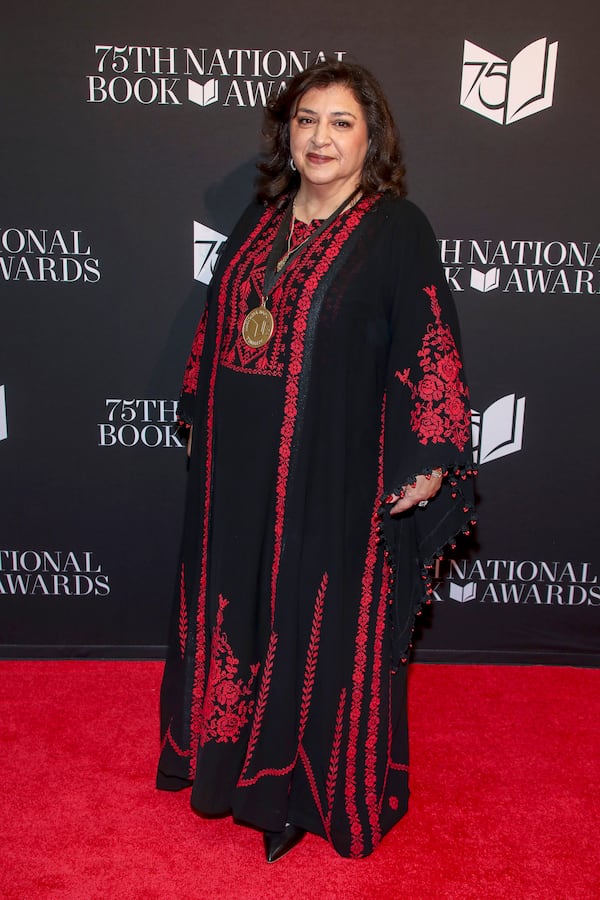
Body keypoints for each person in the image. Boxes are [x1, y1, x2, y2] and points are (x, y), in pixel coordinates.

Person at [157, 59, 475, 861]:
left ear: (373, 138)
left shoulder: (396, 229)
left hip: (333, 473)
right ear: (286, 133)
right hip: (238, 473)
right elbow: (219, 322)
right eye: (306, 119)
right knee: (237, 610)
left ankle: (297, 789)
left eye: (341, 122)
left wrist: (430, 454)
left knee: (317, 621)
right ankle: (223, 764)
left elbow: (427, 341)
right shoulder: (260, 218)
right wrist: (201, 406)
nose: (320, 137)